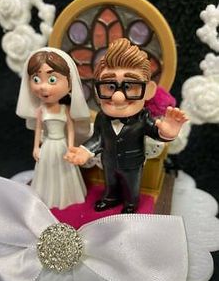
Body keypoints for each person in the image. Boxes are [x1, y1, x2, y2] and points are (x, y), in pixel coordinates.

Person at [65, 38, 188, 213]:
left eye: (129, 86)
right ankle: (110, 197)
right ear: (97, 91)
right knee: (111, 183)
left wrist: (168, 133)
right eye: (109, 86)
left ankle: (131, 203)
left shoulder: (142, 117)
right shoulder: (102, 118)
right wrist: (85, 151)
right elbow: (97, 138)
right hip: (108, 161)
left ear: (148, 91)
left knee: (132, 186)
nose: (118, 97)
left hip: (132, 163)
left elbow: (155, 130)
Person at [16, 47, 90, 209]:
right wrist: (36, 147)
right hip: (49, 144)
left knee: (65, 172)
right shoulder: (41, 110)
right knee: (47, 172)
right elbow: (38, 130)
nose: (43, 87)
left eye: (51, 80)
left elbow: (70, 129)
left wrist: (71, 146)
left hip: (62, 145)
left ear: (70, 84)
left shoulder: (65, 110)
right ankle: (47, 197)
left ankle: (67, 197)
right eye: (36, 79)